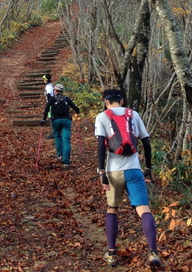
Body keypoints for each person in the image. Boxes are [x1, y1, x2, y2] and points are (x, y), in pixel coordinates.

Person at [95, 88, 162, 269]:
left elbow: (101, 145)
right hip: (134, 169)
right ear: (122, 100)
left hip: (113, 171)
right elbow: (146, 142)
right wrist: (148, 167)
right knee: (144, 209)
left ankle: (111, 253)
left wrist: (101, 172)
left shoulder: (102, 117)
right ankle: (153, 253)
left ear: (106, 102)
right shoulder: (134, 114)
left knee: (112, 209)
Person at [40, 83, 80, 168]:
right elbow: (76, 108)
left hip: (56, 120)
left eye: (54, 90)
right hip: (66, 120)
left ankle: (60, 154)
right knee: (66, 140)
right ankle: (66, 161)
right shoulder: (66, 98)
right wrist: (77, 112)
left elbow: (47, 108)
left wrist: (43, 119)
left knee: (57, 136)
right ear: (61, 91)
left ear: (56, 91)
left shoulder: (52, 99)